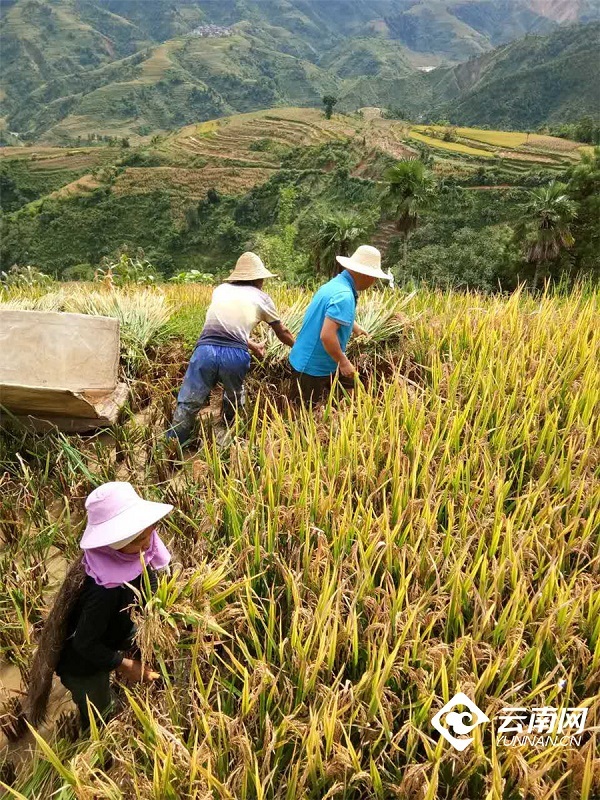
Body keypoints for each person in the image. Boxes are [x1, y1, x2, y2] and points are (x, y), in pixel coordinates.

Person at [26, 482, 174, 731]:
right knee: (102, 715)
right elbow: (85, 644)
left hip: (111, 635)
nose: (148, 543)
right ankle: (95, 746)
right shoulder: (104, 588)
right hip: (82, 664)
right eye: (138, 539)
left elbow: (152, 583)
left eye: (150, 532)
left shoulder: (141, 550)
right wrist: (125, 666)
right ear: (111, 543)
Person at [167, 252, 294, 444]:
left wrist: (251, 344)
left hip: (205, 350)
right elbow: (282, 332)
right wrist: (299, 347)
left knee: (189, 401)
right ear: (258, 279)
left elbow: (226, 327)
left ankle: (172, 444)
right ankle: (225, 438)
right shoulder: (262, 298)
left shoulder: (221, 290)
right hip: (234, 356)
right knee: (234, 396)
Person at [289, 244, 391, 403]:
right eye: (374, 277)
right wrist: (343, 362)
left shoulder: (335, 285)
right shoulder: (344, 296)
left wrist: (356, 328)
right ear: (365, 275)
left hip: (315, 358)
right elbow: (327, 336)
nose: (374, 281)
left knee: (351, 391)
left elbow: (330, 315)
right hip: (313, 367)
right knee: (305, 417)